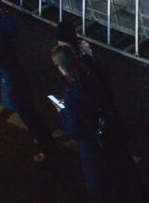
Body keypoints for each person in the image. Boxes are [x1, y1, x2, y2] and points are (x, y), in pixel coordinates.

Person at [52, 42, 139, 202]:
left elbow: (74, 131)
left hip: (93, 147)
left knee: (100, 188)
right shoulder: (91, 76)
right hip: (111, 136)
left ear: (62, 67)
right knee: (123, 181)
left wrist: (63, 112)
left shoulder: (72, 94)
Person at [0, 0, 53, 162]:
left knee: (26, 111)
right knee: (28, 109)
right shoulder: (4, 17)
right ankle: (43, 139)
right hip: (16, 70)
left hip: (10, 75)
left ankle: (45, 146)